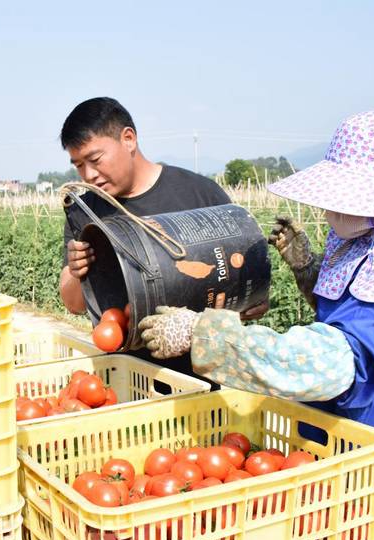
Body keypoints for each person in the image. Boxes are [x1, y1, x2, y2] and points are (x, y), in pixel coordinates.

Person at [137, 110, 374, 540]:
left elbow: (328, 362)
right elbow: (356, 317)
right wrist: (310, 269)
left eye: (344, 197)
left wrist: (204, 332)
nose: (329, 209)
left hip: (369, 450)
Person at [59, 97, 256, 378]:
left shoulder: (199, 194)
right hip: (126, 375)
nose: (88, 174)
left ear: (128, 139)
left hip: (199, 376)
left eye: (95, 160)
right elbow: (74, 304)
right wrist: (77, 272)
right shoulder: (84, 213)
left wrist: (249, 302)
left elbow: (245, 278)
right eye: (79, 165)